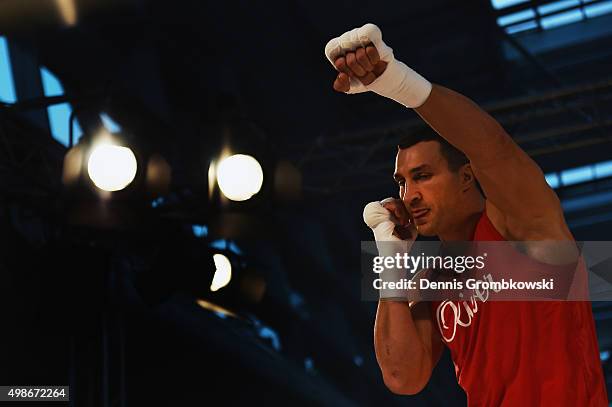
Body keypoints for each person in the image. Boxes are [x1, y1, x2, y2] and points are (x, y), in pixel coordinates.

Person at [325, 23, 608, 405]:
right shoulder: (434, 279)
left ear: (467, 176)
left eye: (422, 176)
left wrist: (397, 82)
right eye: (401, 183)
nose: (409, 195)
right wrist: (390, 259)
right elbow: (401, 376)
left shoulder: (518, 225)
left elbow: (494, 148)